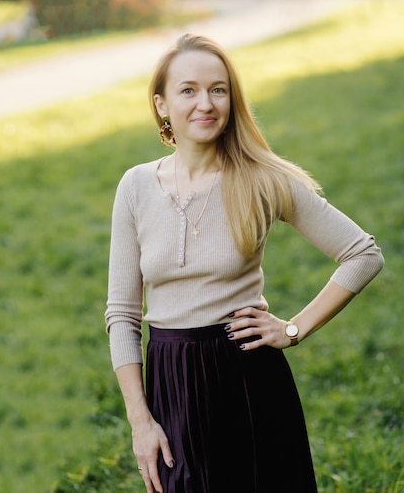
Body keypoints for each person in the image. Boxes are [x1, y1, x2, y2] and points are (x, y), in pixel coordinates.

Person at [105, 33, 384, 493]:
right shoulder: (135, 187)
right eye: (188, 90)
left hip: (248, 375)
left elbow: (362, 254)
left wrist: (293, 329)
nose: (206, 103)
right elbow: (122, 314)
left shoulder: (261, 179)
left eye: (218, 89)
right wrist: (141, 421)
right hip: (170, 379)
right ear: (161, 105)